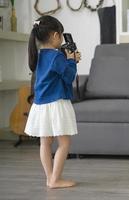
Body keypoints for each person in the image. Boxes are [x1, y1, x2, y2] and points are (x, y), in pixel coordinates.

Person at [25, 15, 81, 189]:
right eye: (62, 35)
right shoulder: (57, 57)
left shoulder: (40, 55)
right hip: (56, 104)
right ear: (56, 35)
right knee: (64, 143)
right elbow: (69, 76)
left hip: (41, 104)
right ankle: (55, 179)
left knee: (45, 143)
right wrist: (72, 60)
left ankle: (50, 178)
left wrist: (68, 59)